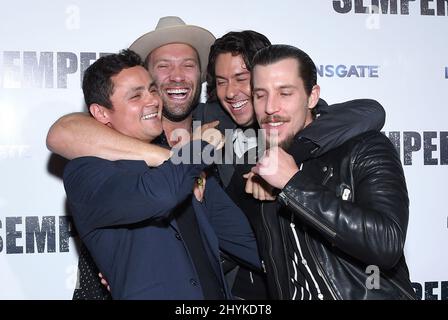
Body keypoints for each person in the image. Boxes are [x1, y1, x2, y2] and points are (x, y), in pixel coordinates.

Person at [47, 19, 386, 299]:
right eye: (162, 69)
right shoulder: (115, 156)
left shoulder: (223, 118)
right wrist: (173, 155)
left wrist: (284, 173)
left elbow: (367, 111)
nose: (174, 78)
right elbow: (63, 132)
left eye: (188, 65)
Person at [64, 49, 260, 300]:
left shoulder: (182, 163)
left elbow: (247, 243)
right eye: (136, 96)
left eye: (152, 90)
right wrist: (199, 147)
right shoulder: (86, 171)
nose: (153, 101)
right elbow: (160, 195)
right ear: (101, 113)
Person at [247, 44, 416, 299]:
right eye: (260, 95)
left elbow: (386, 243)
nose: (270, 107)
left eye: (285, 93)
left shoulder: (364, 147)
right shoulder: (265, 165)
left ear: (312, 97)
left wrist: (293, 184)